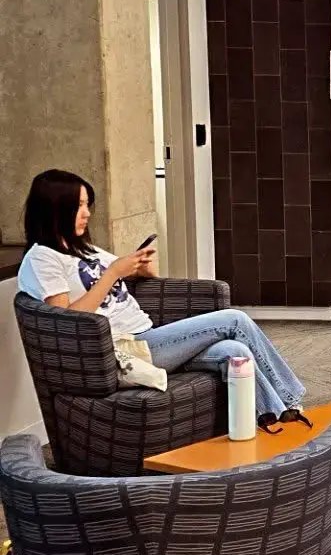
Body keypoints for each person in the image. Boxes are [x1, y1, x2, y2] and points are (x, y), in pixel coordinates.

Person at [17, 170, 307, 428]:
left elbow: (124, 278)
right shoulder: (43, 258)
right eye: (78, 205)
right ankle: (292, 397)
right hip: (123, 350)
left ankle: (277, 416)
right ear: (55, 208)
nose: (87, 213)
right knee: (235, 320)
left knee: (233, 350)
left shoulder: (82, 247)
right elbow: (65, 322)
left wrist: (141, 269)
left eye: (86, 205)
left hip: (148, 336)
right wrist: (113, 273)